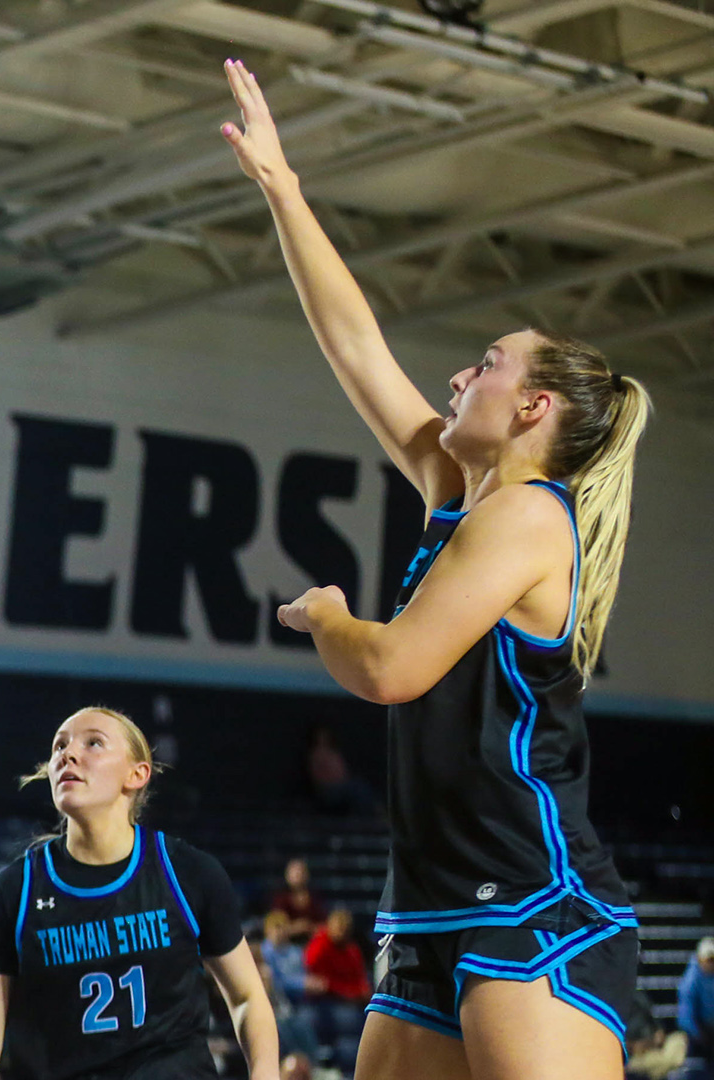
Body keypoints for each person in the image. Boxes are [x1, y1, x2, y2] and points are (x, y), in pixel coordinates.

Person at [225, 56, 650, 1080]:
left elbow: (389, 668)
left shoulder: (529, 517)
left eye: (487, 364)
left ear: (535, 407)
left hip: (531, 902)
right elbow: (356, 347)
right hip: (426, 902)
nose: (460, 375)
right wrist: (283, 190)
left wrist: (328, 615)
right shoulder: (457, 494)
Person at [0, 707, 278, 1080]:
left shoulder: (188, 872)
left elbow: (248, 998)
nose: (68, 754)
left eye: (93, 743)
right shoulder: (16, 889)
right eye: (60, 746)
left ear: (136, 774)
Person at [303, 908, 369, 1054]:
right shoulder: (319, 945)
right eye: (339, 927)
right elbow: (320, 983)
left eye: (345, 928)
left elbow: (361, 980)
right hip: (325, 1001)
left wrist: (360, 992)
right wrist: (348, 993)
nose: (342, 932)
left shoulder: (352, 949)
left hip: (351, 1001)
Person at [268, 859, 326, 943]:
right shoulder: (280, 898)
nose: (298, 875)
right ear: (287, 876)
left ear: (307, 875)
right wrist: (297, 928)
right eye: (295, 873)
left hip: (311, 942)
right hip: (286, 944)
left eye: (301, 872)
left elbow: (323, 924)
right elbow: (274, 927)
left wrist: (309, 927)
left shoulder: (315, 898)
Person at [680, 937, 714, 1079]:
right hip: (698, 1032)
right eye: (709, 960)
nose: (711, 964)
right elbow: (685, 1017)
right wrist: (699, 1035)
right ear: (700, 959)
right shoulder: (690, 981)